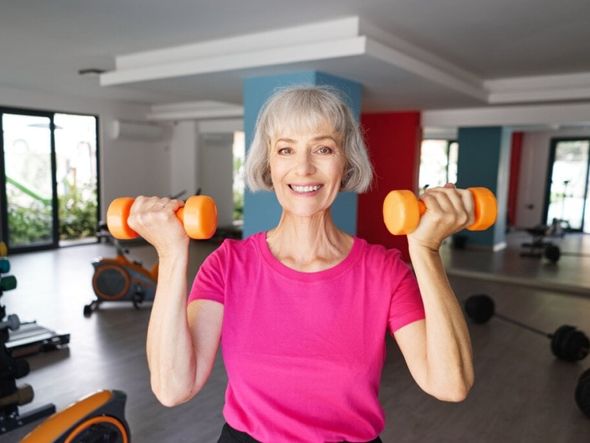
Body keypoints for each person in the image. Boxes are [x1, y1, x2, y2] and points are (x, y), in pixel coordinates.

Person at [128, 86, 474, 443]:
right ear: (269, 164)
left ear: (347, 163)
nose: (304, 167)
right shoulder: (229, 265)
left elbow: (450, 384)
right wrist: (170, 255)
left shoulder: (384, 271)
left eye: (323, 149)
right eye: (286, 149)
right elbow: (172, 389)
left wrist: (426, 248)